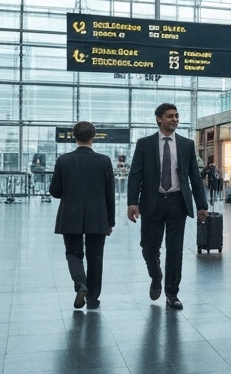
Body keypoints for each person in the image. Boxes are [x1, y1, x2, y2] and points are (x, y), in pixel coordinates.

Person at [127, 103, 209, 311]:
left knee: (175, 250)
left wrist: (202, 205)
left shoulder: (186, 144)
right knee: (149, 247)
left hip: (176, 202)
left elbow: (194, 177)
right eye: (170, 116)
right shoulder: (144, 144)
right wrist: (132, 202)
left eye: (177, 116)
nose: (174, 119)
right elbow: (135, 174)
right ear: (158, 119)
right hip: (151, 202)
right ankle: (156, 276)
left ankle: (172, 293)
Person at [50, 121, 114, 310]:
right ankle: (93, 299)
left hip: (70, 214)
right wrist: (110, 220)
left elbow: (55, 191)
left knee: (73, 253)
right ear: (93, 137)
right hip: (98, 215)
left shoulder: (63, 160)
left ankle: (81, 284)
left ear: (74, 136)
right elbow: (109, 194)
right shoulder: (104, 161)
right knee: (95, 256)